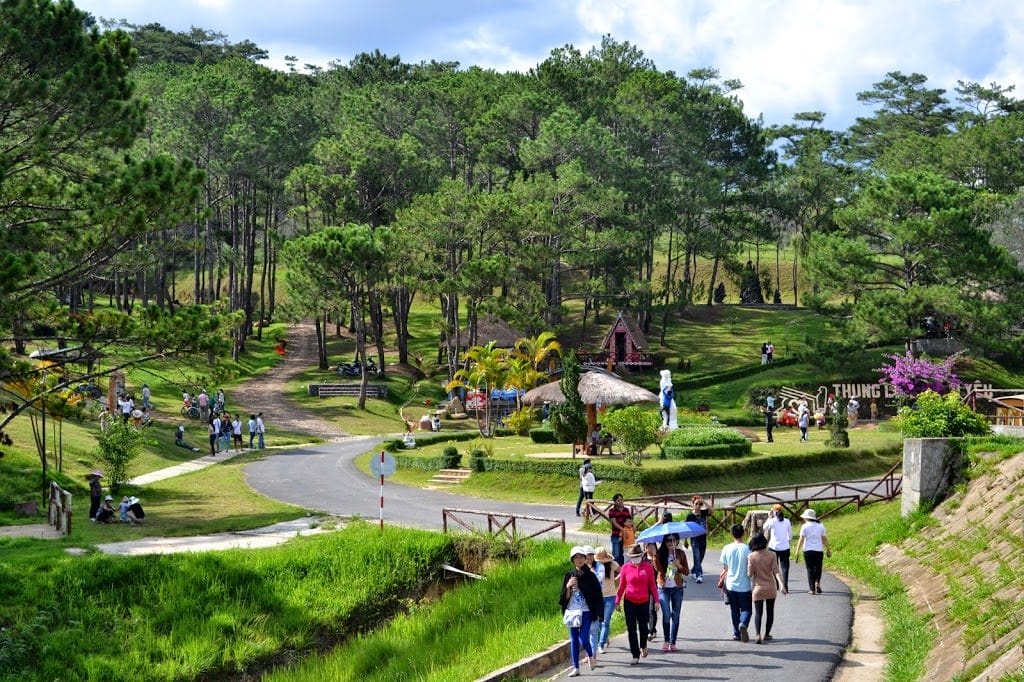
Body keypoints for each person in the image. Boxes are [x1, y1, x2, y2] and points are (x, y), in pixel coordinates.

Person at [559, 546, 603, 677]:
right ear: (572, 560)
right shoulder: (569, 575)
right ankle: (576, 668)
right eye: (576, 557)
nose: (579, 559)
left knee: (583, 638)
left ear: (585, 559)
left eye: (581, 557)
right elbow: (564, 598)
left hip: (586, 611)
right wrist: (568, 587)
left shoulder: (590, 576)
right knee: (573, 640)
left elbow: (597, 595)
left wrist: (581, 587)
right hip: (573, 611)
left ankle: (590, 655)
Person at [616, 543, 659, 666]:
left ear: (641, 555)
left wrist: (656, 600)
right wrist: (617, 601)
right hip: (629, 601)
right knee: (631, 629)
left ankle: (643, 645)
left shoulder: (648, 567)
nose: (635, 559)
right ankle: (635, 655)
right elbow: (621, 586)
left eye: (637, 556)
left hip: (644, 601)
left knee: (643, 627)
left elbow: (652, 585)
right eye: (632, 556)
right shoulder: (625, 568)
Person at [748, 532, 786, 643]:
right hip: (770, 587)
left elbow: (750, 574)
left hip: (757, 588)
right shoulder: (772, 555)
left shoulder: (751, 556)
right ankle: (767, 634)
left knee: (758, 612)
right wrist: (782, 585)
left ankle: (757, 635)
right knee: (770, 611)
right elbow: (776, 571)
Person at [655, 534, 689, 652]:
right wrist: (668, 564)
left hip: (677, 588)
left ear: (677, 541)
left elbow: (686, 571)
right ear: (664, 542)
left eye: (673, 540)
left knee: (675, 615)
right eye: (668, 540)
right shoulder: (659, 554)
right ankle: (666, 640)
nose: (671, 542)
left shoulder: (680, 554)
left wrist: (679, 565)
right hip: (663, 588)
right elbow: (659, 570)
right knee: (666, 615)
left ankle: (673, 642)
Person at [720, 523, 753, 642]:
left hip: (731, 584)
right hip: (745, 584)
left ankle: (736, 633)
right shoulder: (748, 549)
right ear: (743, 533)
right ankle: (743, 623)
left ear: (731, 534)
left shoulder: (727, 548)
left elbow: (725, 566)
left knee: (734, 609)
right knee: (746, 609)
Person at [795, 509, 832, 594]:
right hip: (818, 550)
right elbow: (824, 539)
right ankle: (817, 582)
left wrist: (797, 550)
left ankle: (812, 589)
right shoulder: (821, 526)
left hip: (808, 550)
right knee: (818, 568)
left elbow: (801, 539)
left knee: (810, 569)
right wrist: (828, 549)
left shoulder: (804, 526)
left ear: (807, 518)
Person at [593, 547, 619, 654]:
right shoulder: (594, 567)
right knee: (599, 622)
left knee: (605, 621)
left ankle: (601, 644)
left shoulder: (612, 564)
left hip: (611, 596)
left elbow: (623, 571)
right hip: (598, 597)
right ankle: (605, 638)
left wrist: (617, 580)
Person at [763, 504, 792, 591]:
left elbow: (765, 528)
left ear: (774, 511)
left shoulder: (772, 521)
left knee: (774, 567)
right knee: (785, 567)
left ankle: (777, 585)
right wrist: (788, 540)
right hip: (785, 547)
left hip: (774, 547)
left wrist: (769, 517)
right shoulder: (787, 521)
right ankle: (785, 585)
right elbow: (790, 534)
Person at [684, 495, 712, 583]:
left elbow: (712, 510)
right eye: (696, 504)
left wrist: (705, 502)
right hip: (694, 539)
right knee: (697, 557)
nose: (698, 506)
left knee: (701, 557)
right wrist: (685, 540)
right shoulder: (690, 516)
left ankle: (693, 571)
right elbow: (687, 528)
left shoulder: (703, 512)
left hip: (703, 538)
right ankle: (699, 575)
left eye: (700, 504)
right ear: (693, 504)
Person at [608, 493, 633, 565]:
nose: (620, 502)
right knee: (616, 554)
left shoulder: (626, 510)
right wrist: (623, 530)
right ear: (614, 502)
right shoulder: (612, 511)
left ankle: (623, 569)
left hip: (626, 536)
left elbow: (630, 520)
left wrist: (633, 527)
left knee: (625, 553)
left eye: (621, 500)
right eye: (618, 500)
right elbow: (614, 523)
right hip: (616, 535)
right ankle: (615, 569)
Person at [643, 542, 660, 639]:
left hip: (655, 586)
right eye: (648, 545)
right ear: (645, 547)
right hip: (644, 587)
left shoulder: (657, 557)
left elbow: (660, 570)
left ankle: (650, 630)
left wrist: (654, 559)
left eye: (652, 545)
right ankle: (652, 630)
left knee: (652, 609)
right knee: (645, 609)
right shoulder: (642, 558)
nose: (650, 547)